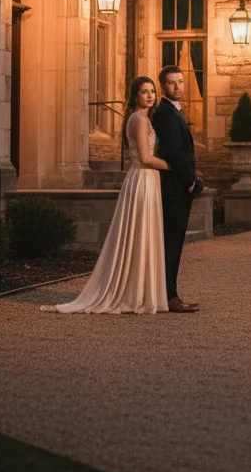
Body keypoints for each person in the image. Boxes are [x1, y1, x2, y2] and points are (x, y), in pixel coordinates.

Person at [41, 76, 169, 314]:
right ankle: (134, 294)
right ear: (135, 96)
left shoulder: (143, 118)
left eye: (152, 91)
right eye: (144, 91)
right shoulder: (139, 120)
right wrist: (172, 166)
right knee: (138, 233)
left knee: (144, 234)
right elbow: (145, 158)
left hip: (148, 180)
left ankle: (141, 291)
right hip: (142, 179)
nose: (150, 95)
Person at [151, 65, 204, 313]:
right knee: (171, 245)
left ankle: (167, 294)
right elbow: (173, 153)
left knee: (174, 244)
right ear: (163, 86)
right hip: (173, 189)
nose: (178, 87)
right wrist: (190, 181)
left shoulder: (174, 111)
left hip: (178, 186)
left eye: (181, 82)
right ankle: (169, 297)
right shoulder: (164, 113)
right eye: (172, 83)